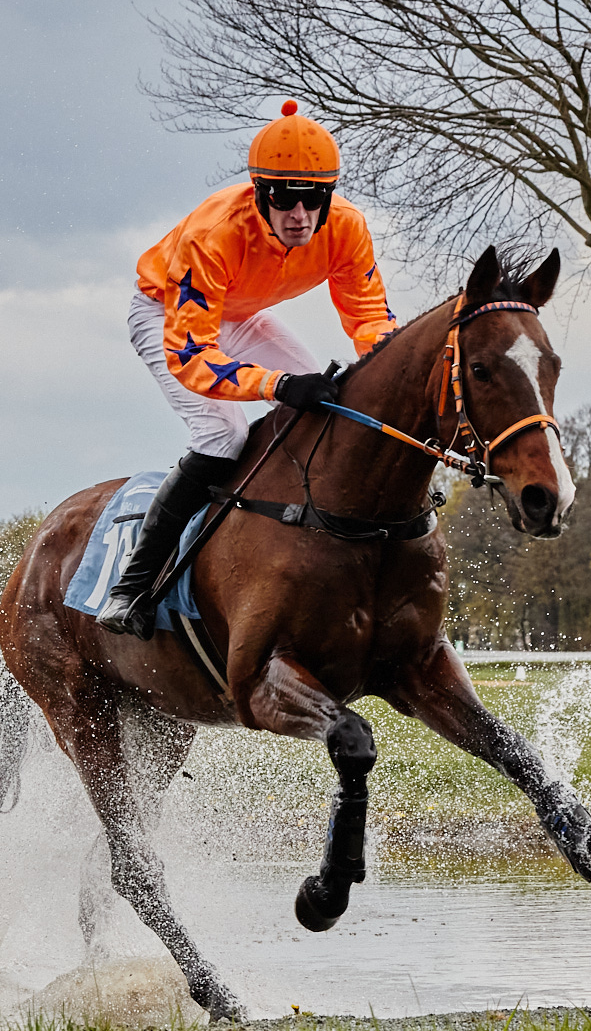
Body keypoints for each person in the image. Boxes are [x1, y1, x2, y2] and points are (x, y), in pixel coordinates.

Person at [96, 101, 399, 638]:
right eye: (284, 198)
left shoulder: (348, 227)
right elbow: (193, 357)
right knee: (224, 434)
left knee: (326, 410)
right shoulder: (214, 233)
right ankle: (132, 586)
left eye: (314, 198)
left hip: (241, 315)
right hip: (168, 315)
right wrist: (276, 384)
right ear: (260, 192)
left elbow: (371, 319)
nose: (300, 215)